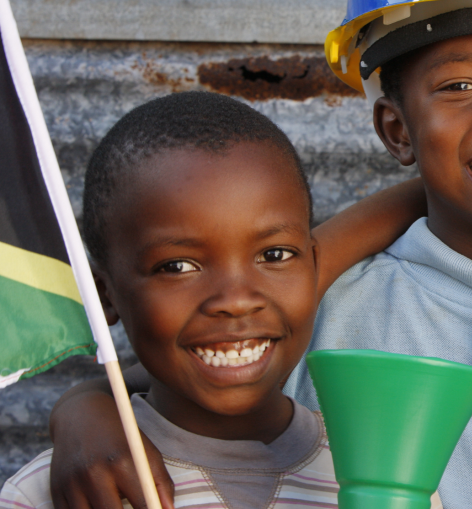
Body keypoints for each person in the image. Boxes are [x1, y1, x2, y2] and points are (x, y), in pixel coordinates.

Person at [44, 0, 472, 508]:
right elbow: (186, 372)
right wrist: (89, 403)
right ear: (397, 131)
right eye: (457, 86)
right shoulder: (334, 306)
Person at [1, 92, 426, 509]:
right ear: (104, 295)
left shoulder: (387, 476)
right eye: (177, 266)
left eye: (273, 255)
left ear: (315, 265)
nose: (236, 301)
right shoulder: (58, 492)